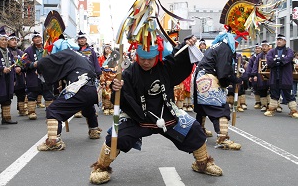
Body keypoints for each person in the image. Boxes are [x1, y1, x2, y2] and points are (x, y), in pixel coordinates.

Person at [89, 36, 223, 185]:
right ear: (137, 56)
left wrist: (186, 44)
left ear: (157, 56)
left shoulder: (165, 67)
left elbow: (178, 58)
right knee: (117, 135)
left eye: (151, 59)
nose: (146, 62)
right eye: (143, 59)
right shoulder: (128, 73)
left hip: (166, 114)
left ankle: (203, 163)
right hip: (138, 117)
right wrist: (116, 89)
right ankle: (101, 167)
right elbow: (118, 100)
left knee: (194, 129)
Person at [36, 47, 102, 151]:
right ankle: (94, 129)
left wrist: (35, 65)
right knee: (87, 105)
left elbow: (43, 62)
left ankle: (53, 141)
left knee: (53, 110)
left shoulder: (66, 53)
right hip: (94, 89)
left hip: (81, 87)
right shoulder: (81, 56)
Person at [193, 31, 241, 150]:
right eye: (238, 43)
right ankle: (223, 138)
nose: (238, 46)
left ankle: (199, 131)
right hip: (208, 78)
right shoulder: (225, 48)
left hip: (200, 77)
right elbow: (223, 71)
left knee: (202, 107)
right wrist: (233, 81)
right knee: (220, 107)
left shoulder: (217, 45)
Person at [264, 34, 298, 118]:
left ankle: (294, 110)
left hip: (285, 77)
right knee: (274, 93)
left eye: (281, 40)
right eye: (278, 40)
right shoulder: (272, 51)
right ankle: (271, 109)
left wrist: (280, 61)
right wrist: (277, 61)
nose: (279, 41)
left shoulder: (288, 50)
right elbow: (269, 59)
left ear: (285, 41)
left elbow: (289, 58)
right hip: (275, 77)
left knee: (288, 94)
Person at [24, 31, 54, 120]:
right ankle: (31, 112)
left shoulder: (47, 49)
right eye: (35, 38)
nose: (37, 39)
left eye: (39, 37)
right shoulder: (28, 50)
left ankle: (50, 112)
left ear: (42, 39)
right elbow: (24, 61)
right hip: (33, 76)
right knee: (32, 95)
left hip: (45, 76)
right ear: (33, 40)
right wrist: (34, 64)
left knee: (48, 95)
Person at [75, 31, 102, 118]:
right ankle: (78, 110)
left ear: (86, 39)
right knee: (77, 92)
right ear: (77, 40)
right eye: (80, 39)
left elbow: (95, 62)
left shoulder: (91, 51)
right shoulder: (75, 50)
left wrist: (98, 73)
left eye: (83, 39)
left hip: (90, 74)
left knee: (90, 93)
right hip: (78, 74)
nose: (81, 40)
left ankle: (91, 111)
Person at [0, 27, 17, 124]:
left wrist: (14, 78)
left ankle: (6, 118)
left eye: (6, 39)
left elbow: (12, 65)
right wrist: (1, 68)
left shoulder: (8, 52)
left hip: (8, 77)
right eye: (2, 40)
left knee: (6, 99)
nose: (5, 42)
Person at [8, 33, 27, 116]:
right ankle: (5, 113)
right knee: (7, 95)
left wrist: (21, 68)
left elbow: (26, 64)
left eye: (15, 40)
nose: (14, 41)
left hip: (20, 76)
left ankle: (21, 109)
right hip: (10, 76)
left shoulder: (20, 52)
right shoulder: (6, 51)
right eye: (12, 40)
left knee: (21, 93)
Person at [251, 40, 271, 112]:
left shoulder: (272, 54)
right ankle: (264, 105)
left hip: (270, 75)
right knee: (262, 90)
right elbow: (255, 66)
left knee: (271, 90)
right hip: (260, 75)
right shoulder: (259, 56)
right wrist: (254, 75)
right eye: (263, 46)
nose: (264, 47)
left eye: (265, 46)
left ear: (269, 47)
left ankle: (270, 105)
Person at [247, 43, 262, 109]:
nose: (257, 49)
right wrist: (250, 76)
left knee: (265, 89)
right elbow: (250, 67)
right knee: (256, 88)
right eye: (256, 48)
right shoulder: (252, 58)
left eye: (259, 48)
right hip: (254, 75)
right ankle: (258, 102)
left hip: (262, 75)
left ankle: (265, 103)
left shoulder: (265, 56)